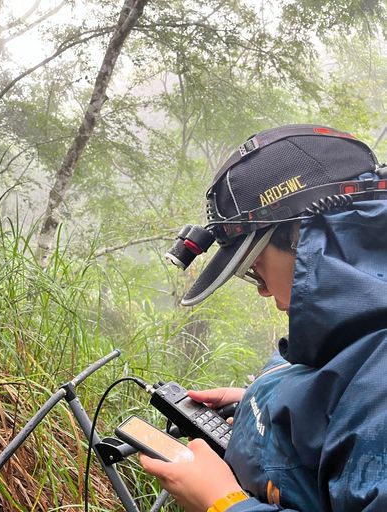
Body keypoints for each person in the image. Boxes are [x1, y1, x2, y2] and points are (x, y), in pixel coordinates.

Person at [140, 124, 387, 511]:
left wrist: (222, 503)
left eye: (255, 268)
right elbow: (339, 402)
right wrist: (264, 401)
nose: (263, 290)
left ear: (307, 239)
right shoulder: (347, 329)